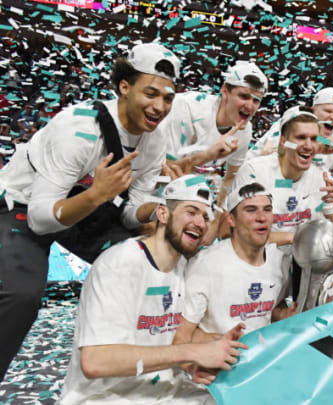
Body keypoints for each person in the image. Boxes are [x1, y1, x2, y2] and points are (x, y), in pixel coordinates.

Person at [0, 43, 180, 379]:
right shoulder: (78, 129)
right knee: (20, 295)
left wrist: (156, 213)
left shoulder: (155, 139)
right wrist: (97, 194)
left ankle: (126, 368)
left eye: (168, 98)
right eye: (151, 93)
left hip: (87, 211)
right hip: (22, 208)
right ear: (124, 87)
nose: (159, 107)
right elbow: (40, 220)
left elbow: (128, 211)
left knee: (149, 261)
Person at [58, 176, 244, 404]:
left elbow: (164, 328)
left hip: (165, 391)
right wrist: (190, 353)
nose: (201, 223)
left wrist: (215, 342)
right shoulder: (120, 264)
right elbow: (96, 361)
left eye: (206, 217)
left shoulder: (184, 266)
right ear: (163, 214)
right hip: (106, 396)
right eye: (191, 211)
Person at [173, 180, 294, 384]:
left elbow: (269, 311)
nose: (261, 218)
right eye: (251, 210)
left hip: (263, 368)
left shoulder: (279, 261)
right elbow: (181, 336)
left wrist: (284, 315)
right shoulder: (206, 265)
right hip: (218, 376)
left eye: (267, 210)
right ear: (231, 220)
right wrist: (214, 345)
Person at [164, 60, 268, 208]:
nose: (250, 106)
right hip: (157, 181)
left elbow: (231, 175)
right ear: (225, 92)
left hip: (195, 188)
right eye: (244, 96)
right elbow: (167, 170)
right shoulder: (187, 108)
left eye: (256, 100)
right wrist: (208, 155)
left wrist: (217, 211)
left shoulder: (245, 130)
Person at [234, 106, 333, 233]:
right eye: (301, 137)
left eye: (313, 139)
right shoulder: (254, 172)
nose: (308, 146)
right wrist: (296, 239)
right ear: (283, 141)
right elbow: (237, 232)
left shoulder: (321, 177)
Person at [247, 87, 333, 177]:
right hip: (267, 180)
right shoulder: (293, 122)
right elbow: (274, 151)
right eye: (328, 111)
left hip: (303, 190)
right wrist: (318, 145)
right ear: (314, 110)